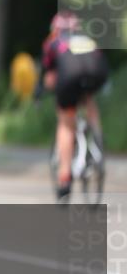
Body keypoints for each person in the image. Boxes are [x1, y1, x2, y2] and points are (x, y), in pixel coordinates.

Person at [40, 11, 108, 201]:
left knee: (65, 122)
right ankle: (97, 135)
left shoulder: (53, 42)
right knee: (88, 97)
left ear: (56, 29)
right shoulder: (87, 39)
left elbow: (47, 76)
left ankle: (64, 177)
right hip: (98, 74)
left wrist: (40, 93)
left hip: (70, 78)